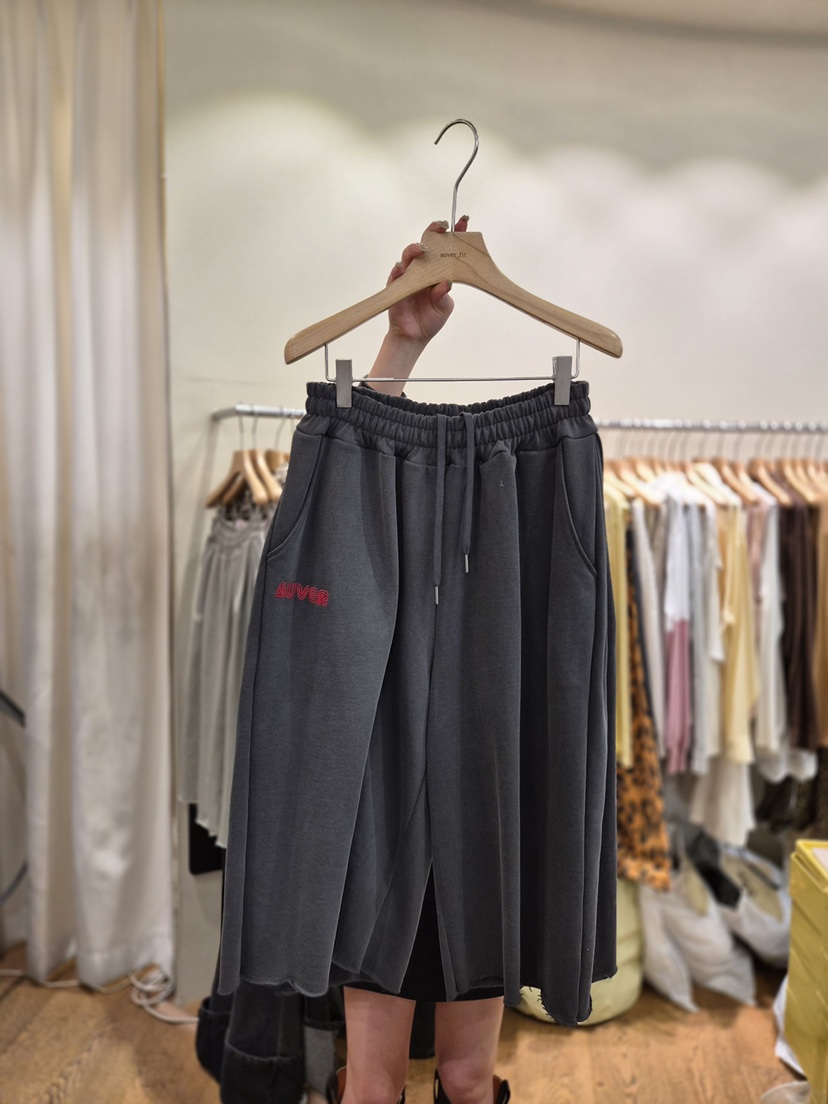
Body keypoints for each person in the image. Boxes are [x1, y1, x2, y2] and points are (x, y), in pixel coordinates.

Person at [332, 218, 511, 1104]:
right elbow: (358, 464)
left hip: (480, 768)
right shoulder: (363, 509)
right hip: (382, 766)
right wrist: (401, 344)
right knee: (372, 1082)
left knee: (469, 1077)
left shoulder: (519, 488)